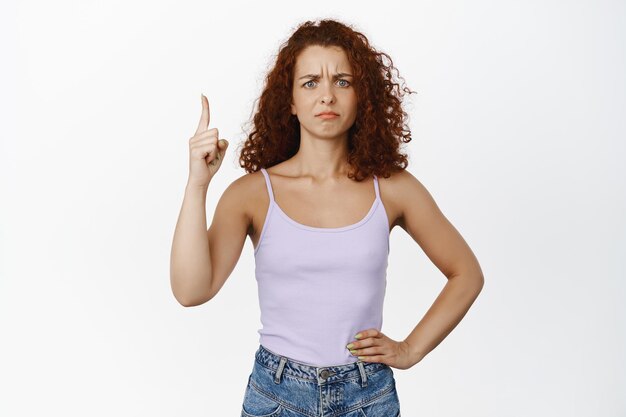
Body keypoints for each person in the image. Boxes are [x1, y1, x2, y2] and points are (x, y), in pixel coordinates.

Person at [170, 18, 484, 417]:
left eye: (342, 81)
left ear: (361, 95)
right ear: (290, 101)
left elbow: (467, 273)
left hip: (367, 396)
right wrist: (197, 185)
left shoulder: (392, 187)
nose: (327, 97)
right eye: (310, 83)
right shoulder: (251, 194)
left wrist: (410, 349)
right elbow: (190, 291)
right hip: (277, 396)